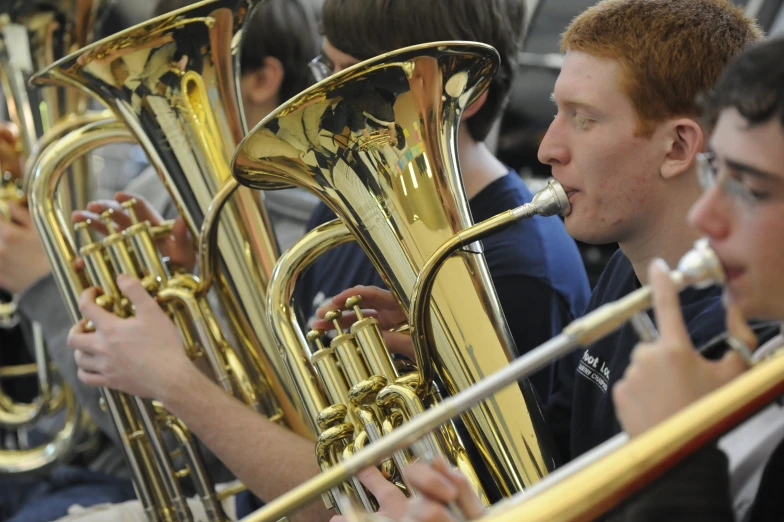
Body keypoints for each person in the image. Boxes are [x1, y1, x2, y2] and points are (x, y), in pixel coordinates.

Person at [67, 1, 591, 521]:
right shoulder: (347, 197)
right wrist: (183, 336)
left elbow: (355, 503)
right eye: (327, 69)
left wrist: (173, 381)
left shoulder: (519, 267)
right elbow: (299, 422)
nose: (317, 105)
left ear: (459, 92)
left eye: (349, 82)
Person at [308, 0, 765, 519]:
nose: (548, 147)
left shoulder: (737, 341)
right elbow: (555, 470)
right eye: (556, 111)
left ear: (679, 146)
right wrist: (447, 360)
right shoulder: (625, 271)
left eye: (584, 119)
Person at [0, 1, 319, 521]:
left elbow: (192, 448)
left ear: (262, 79)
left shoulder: (293, 233)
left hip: (134, 476)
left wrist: (41, 284)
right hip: (92, 459)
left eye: (173, 73)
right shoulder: (155, 188)